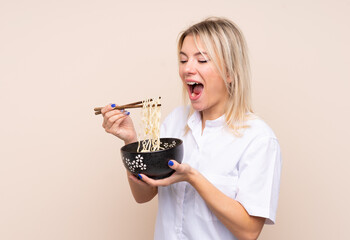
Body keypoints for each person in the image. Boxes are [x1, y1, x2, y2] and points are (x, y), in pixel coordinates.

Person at [100, 17, 282, 240]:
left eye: (202, 60)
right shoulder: (175, 121)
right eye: (183, 60)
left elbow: (249, 231)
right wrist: (131, 142)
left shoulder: (258, 138)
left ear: (231, 73)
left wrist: (193, 178)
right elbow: (144, 194)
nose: (187, 69)